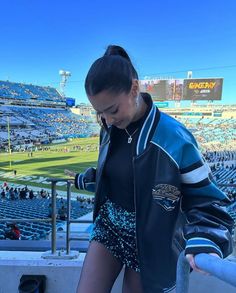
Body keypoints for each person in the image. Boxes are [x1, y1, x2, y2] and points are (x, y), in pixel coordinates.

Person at [65, 45, 234, 293]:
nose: (108, 120)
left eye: (112, 110)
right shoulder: (108, 127)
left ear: (134, 88)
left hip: (152, 240)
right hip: (109, 227)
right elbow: (121, 175)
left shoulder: (175, 137)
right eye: (100, 113)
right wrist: (86, 179)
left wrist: (205, 239)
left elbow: (209, 202)